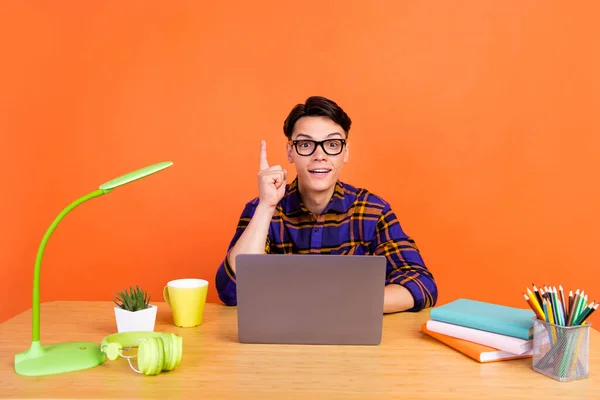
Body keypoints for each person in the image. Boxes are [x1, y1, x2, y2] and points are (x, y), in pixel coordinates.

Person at [215, 96, 438, 313]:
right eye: (306, 144)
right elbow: (231, 290)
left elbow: (421, 284)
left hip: (351, 338)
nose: (319, 155)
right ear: (290, 152)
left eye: (332, 144)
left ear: (345, 152)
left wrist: (343, 304)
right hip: (281, 343)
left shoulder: (372, 210)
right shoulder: (261, 209)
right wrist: (266, 206)